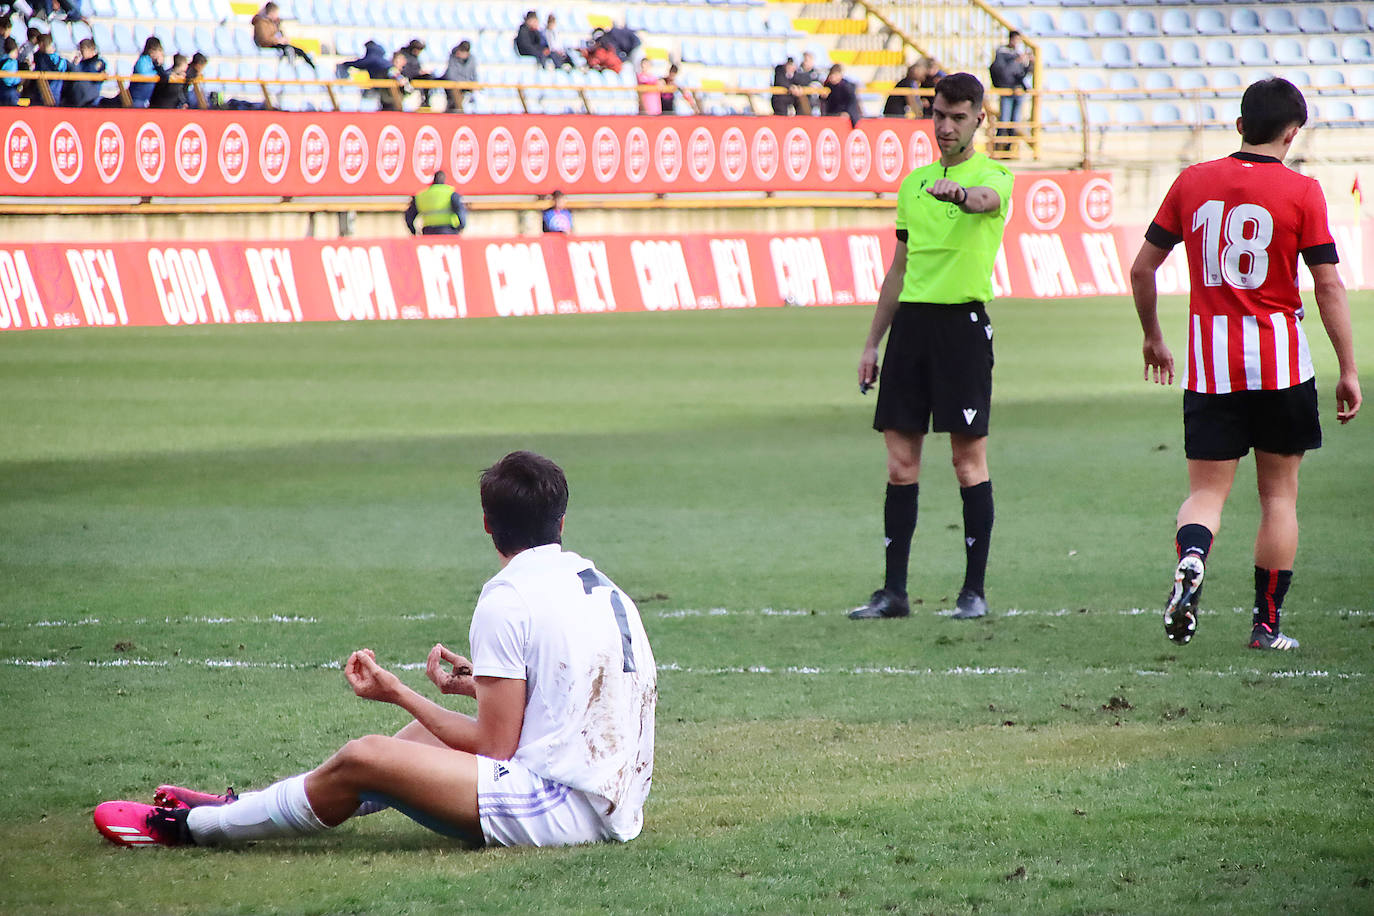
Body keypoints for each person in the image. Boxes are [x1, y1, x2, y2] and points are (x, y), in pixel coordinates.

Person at [93, 451, 658, 851]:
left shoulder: (507, 595)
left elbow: (495, 746)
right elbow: (575, 690)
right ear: (562, 521)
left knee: (367, 756)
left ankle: (193, 829)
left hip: (566, 810)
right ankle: (241, 804)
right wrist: (473, 684)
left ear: (487, 526)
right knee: (415, 743)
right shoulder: (599, 582)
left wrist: (400, 694)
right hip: (614, 797)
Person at [1129, 78, 1362, 652]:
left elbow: (1142, 269)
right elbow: (1327, 285)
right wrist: (1349, 368)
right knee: (1279, 497)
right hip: (1281, 364)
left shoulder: (1193, 182)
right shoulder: (1303, 192)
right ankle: (1266, 626)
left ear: (1239, 126)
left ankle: (1191, 558)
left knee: (1206, 494)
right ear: (1292, 133)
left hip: (1211, 365)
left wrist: (1154, 337)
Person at [851, 72, 1013, 622]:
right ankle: (894, 592)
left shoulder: (994, 175)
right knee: (900, 464)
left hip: (961, 330)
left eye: (958, 117)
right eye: (939, 115)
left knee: (968, 462)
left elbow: (985, 201)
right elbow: (898, 269)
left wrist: (962, 194)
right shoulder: (913, 183)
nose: (945, 127)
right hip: (910, 332)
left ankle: (973, 592)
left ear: (979, 120)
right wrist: (873, 343)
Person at [989, 31, 1032, 155]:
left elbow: (1023, 74)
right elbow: (1003, 72)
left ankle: (1009, 150)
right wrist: (1016, 61)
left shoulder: (1018, 54)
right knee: (1004, 121)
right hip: (1006, 90)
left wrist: (1030, 63)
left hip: (1018, 91)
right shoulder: (1002, 53)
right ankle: (998, 149)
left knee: (1015, 122)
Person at [252, 2, 314, 70]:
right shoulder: (261, 23)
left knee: (299, 50)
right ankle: (291, 68)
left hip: (276, 43)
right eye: (276, 13)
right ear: (271, 13)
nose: (277, 15)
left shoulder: (274, 22)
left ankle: (311, 66)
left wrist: (283, 39)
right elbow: (263, 39)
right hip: (269, 44)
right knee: (289, 49)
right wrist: (277, 40)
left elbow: (279, 33)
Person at [404, 170, 467, 236]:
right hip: (448, 231)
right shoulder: (451, 193)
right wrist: (460, 227)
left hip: (428, 232)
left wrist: (414, 231)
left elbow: (409, 216)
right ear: (444, 180)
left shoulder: (421, 196)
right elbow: (461, 212)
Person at [64, 35, 105, 107]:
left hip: (89, 95)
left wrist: (76, 67)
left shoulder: (97, 62)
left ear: (91, 50)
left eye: (83, 50)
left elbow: (91, 75)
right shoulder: (81, 63)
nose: (81, 53)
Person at [821, 62, 861, 127]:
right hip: (831, 114)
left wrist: (848, 113)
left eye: (833, 75)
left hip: (844, 114)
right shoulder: (828, 86)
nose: (831, 77)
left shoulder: (846, 87)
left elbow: (852, 102)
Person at [128, 35, 163, 108]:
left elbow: (163, 75)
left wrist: (159, 66)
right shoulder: (142, 61)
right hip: (137, 97)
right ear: (151, 50)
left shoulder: (155, 63)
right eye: (158, 50)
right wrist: (157, 73)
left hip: (148, 98)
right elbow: (144, 75)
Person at [442, 39, 477, 111]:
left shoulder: (472, 59)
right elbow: (451, 75)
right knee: (455, 90)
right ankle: (460, 110)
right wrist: (460, 82)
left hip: (467, 84)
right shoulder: (453, 57)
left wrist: (473, 83)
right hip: (455, 84)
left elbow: (474, 74)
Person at [0, 37, 19, 107]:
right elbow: (9, 80)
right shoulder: (12, 62)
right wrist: (20, 80)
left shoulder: (2, 59)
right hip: (9, 91)